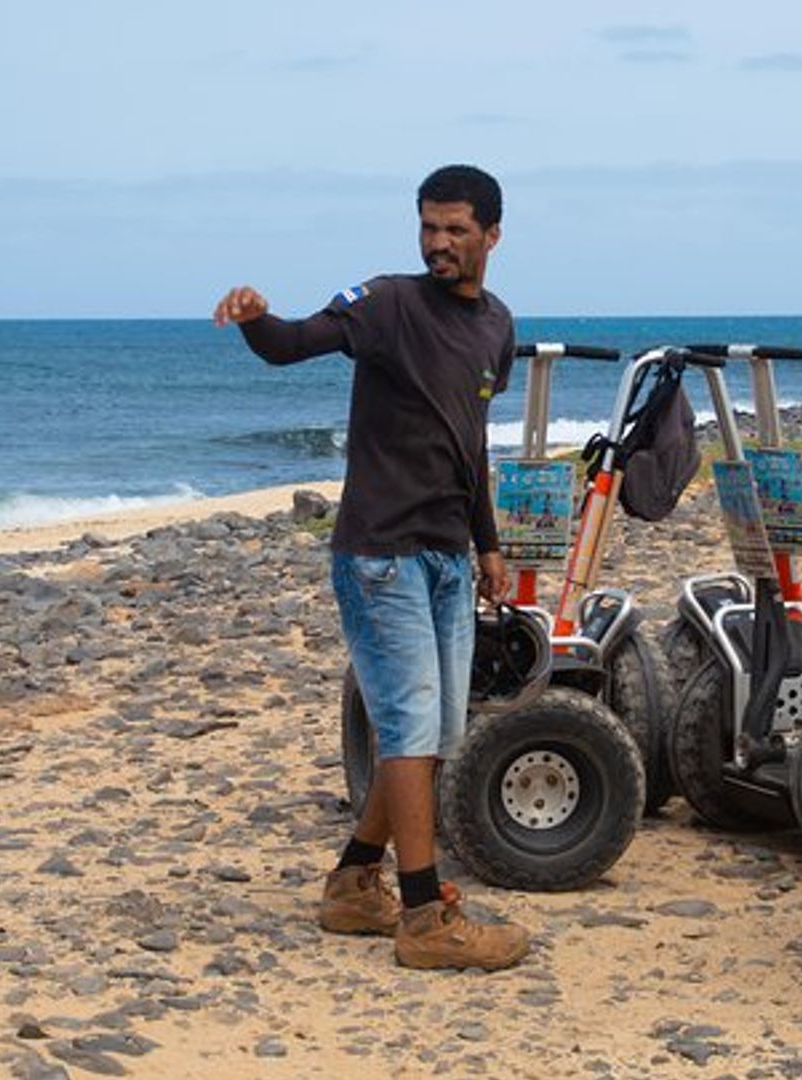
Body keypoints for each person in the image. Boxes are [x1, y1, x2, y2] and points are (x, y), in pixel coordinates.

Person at [212, 164, 530, 971]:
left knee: (434, 739)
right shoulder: (388, 302)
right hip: (380, 553)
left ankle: (356, 883)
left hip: (447, 555)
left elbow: (471, 442)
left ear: (492, 235)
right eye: (428, 227)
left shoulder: (497, 325)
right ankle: (425, 918)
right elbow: (294, 345)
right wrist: (257, 318)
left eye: (456, 229)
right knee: (410, 729)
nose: (438, 244)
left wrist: (487, 545)